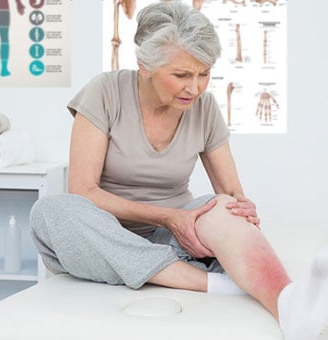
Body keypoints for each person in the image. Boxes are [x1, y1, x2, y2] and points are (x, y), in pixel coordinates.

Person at [30, 2, 328, 340]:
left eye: (204, 73)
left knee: (220, 208)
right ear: (145, 66)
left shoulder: (204, 108)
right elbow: (83, 191)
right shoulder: (104, 92)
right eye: (182, 75)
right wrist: (169, 217)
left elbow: (231, 192)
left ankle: (289, 303)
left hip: (177, 240)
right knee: (52, 212)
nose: (195, 88)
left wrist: (239, 210)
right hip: (104, 236)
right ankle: (209, 282)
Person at [0, 0, 25, 77]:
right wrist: (19, 4)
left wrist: (19, 4)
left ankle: (0, 69)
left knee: (0, 39)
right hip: (1, 6)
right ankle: (2, 69)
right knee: (3, 39)